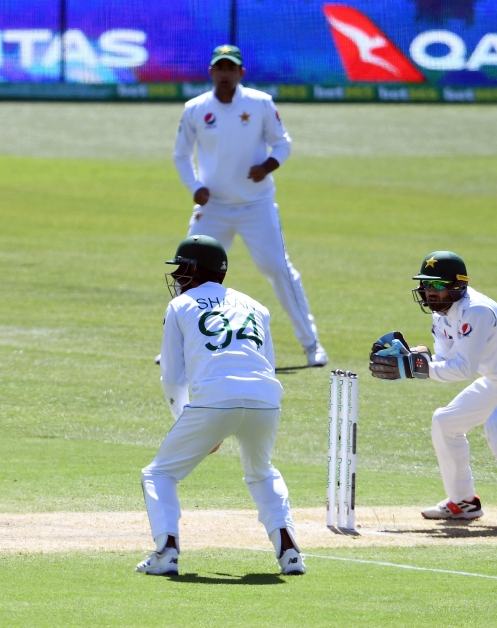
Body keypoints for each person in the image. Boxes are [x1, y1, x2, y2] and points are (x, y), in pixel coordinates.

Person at [137, 234, 305, 576]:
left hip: (215, 400)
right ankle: (290, 553)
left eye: (180, 269)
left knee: (159, 473)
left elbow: (171, 377)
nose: (175, 277)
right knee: (261, 473)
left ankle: (166, 551)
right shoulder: (257, 306)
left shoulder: (180, 306)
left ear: (196, 270)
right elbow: (267, 365)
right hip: (266, 399)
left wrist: (188, 419)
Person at [172, 44, 326, 367]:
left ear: (241, 73)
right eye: (220, 68)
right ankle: (177, 346)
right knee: (188, 270)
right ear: (211, 72)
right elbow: (182, 155)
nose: (225, 73)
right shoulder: (195, 108)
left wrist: (267, 166)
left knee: (278, 268)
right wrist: (196, 186)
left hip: (256, 204)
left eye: (231, 68)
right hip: (213, 206)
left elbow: (283, 142)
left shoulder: (260, 103)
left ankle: (311, 345)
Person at [369, 251, 497, 530]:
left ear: (458, 285)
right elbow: (445, 360)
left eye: (436, 285)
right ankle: (463, 502)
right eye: (425, 285)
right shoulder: (442, 314)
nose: (429, 292)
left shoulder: (477, 311)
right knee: (445, 421)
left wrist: (416, 367)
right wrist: (415, 358)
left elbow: (463, 369)